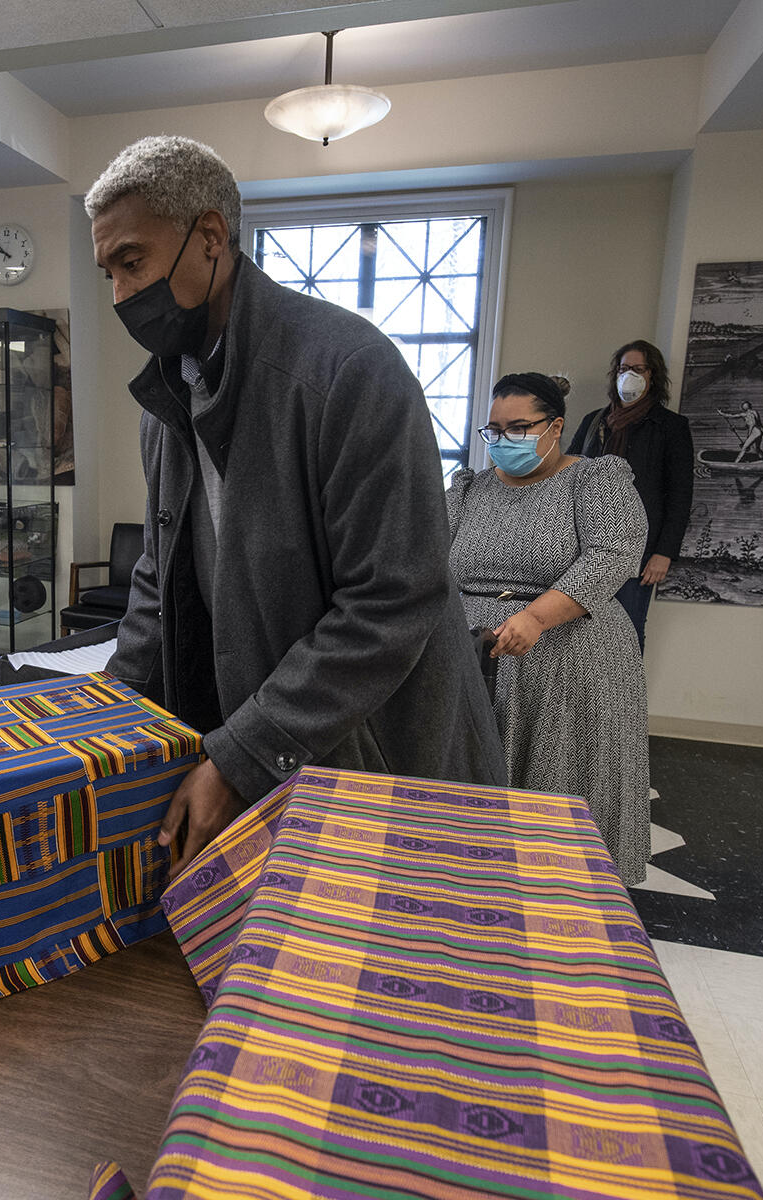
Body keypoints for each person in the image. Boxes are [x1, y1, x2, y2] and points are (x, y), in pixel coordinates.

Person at [85, 135, 506, 868]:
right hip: (271, 740)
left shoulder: (347, 369)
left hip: (380, 754)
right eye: (109, 272)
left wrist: (243, 752)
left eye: (132, 262)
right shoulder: (165, 400)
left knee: (384, 966)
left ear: (210, 237)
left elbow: (391, 602)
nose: (121, 296)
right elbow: (159, 583)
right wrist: (102, 721)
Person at [450, 372, 651, 884]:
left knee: (558, 773)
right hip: (474, 656)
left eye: (518, 427)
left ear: (554, 426)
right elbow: (429, 558)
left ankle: (563, 885)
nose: (502, 440)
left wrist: (537, 616)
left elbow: (611, 555)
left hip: (567, 656)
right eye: (493, 429)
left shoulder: (594, 481)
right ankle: (475, 877)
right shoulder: (469, 489)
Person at [566, 340, 694, 648]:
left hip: (639, 549)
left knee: (627, 630)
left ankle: (625, 696)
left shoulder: (670, 427)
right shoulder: (594, 421)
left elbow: (680, 494)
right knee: (577, 630)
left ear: (653, 375)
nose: (629, 376)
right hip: (586, 543)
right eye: (624, 369)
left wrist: (664, 553)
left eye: (638, 369)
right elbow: (568, 473)